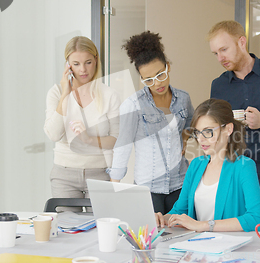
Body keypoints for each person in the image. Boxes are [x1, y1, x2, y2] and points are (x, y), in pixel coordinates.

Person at [208, 20, 260, 222]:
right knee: (235, 243)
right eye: (215, 53)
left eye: (224, 49)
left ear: (242, 42)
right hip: (233, 178)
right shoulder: (218, 86)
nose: (220, 58)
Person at [108, 31, 194, 214]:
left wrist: (184, 140)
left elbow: (190, 125)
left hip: (180, 183)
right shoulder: (133, 105)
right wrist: (113, 188)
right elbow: (123, 146)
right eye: (148, 80)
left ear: (168, 67)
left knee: (180, 236)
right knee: (152, 239)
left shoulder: (183, 98)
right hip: (148, 188)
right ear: (141, 79)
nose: (157, 83)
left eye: (160, 75)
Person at [155, 99, 260, 232]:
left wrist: (202, 225)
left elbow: (255, 218)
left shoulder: (244, 166)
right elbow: (179, 210)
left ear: (228, 129)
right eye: (197, 132)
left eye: (208, 132)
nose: (201, 139)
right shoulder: (196, 165)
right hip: (197, 245)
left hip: (228, 247)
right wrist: (162, 219)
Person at [44, 36, 121, 209]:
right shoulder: (56, 93)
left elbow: (116, 139)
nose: (83, 70)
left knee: (101, 229)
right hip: (64, 175)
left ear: (96, 61)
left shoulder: (109, 95)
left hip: (100, 174)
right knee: (67, 230)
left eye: (88, 62)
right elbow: (54, 134)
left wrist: (88, 140)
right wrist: (65, 93)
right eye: (76, 64)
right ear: (67, 65)